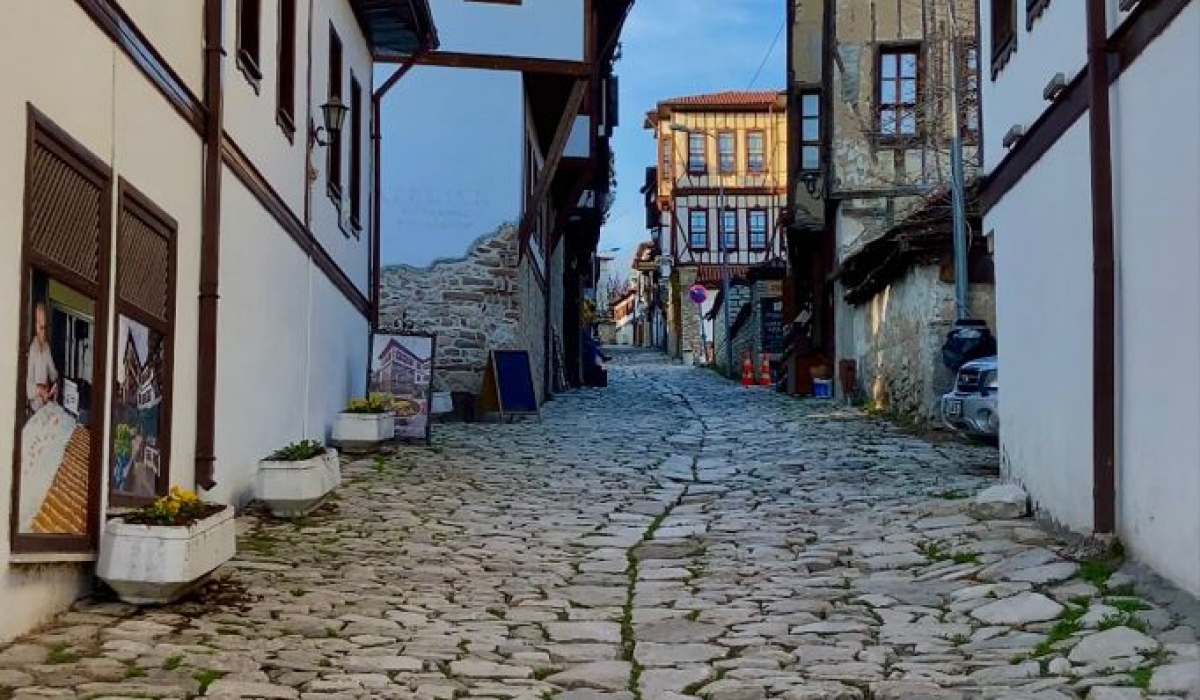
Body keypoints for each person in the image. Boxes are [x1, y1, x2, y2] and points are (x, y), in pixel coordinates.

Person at [25, 302, 58, 413]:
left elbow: (53, 374)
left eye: (45, 327)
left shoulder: (46, 347)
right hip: (33, 411)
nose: (43, 332)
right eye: (41, 327)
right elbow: (28, 390)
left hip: (45, 408)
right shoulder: (32, 349)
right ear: (35, 325)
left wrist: (56, 384)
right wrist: (40, 389)